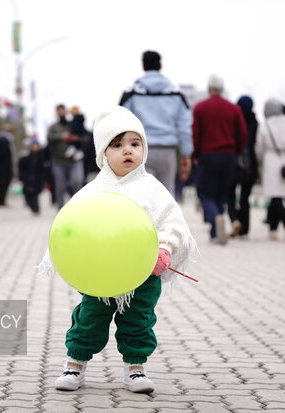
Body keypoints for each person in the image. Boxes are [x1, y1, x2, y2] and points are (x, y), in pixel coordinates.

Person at [39, 106, 196, 394]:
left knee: (138, 319)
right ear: (102, 153)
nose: (128, 151)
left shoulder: (152, 189)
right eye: (117, 144)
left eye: (135, 144)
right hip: (101, 273)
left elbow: (173, 224)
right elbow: (72, 225)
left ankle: (135, 369)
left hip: (144, 271)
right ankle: (74, 364)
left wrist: (165, 249)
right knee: (90, 318)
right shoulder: (93, 192)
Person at [119, 50, 193, 196]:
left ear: (143, 66)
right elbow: (185, 127)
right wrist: (186, 154)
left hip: (141, 150)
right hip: (168, 151)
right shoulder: (176, 93)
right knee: (166, 197)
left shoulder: (132, 92)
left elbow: (121, 121)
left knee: (142, 196)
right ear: (160, 65)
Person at [192, 75, 247, 244]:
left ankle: (215, 219)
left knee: (204, 193)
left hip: (207, 156)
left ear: (209, 89)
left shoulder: (200, 108)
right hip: (228, 156)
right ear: (222, 90)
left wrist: (195, 154)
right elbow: (243, 133)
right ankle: (216, 231)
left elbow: (195, 134)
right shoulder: (233, 109)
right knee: (221, 195)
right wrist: (236, 151)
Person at [255, 98, 285, 241]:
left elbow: (259, 147)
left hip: (271, 160)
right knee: (281, 196)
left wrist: (260, 161)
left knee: (276, 197)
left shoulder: (265, 125)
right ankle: (273, 229)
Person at [227, 95, 258, 239]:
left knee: (230, 195)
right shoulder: (255, 122)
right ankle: (245, 230)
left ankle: (235, 220)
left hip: (233, 163)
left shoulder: (233, 120)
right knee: (245, 198)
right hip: (250, 165)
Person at [46, 104, 86, 209]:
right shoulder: (53, 127)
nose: (61, 113)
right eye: (59, 111)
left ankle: (77, 208)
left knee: (77, 182)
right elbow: (49, 137)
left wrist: (75, 138)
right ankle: (60, 210)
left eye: (62, 110)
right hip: (58, 162)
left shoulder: (73, 123)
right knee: (60, 187)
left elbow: (85, 136)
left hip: (74, 161)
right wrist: (61, 136)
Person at [18, 139, 47, 215]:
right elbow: (21, 169)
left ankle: (36, 209)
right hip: (27, 180)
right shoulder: (25, 159)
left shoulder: (41, 159)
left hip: (37, 181)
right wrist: (23, 177)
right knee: (28, 195)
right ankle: (32, 207)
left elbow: (43, 170)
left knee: (35, 196)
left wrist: (42, 179)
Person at [0, 124, 14, 206]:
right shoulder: (4, 140)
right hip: (3, 168)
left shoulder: (6, 140)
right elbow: (1, 155)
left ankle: (1, 200)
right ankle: (0, 201)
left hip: (3, 167)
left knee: (3, 185)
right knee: (2, 185)